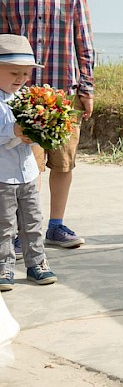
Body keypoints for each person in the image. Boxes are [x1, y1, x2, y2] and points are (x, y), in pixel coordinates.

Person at [0, 0, 95, 250]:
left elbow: (84, 47)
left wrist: (87, 90)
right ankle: (22, 231)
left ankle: (56, 225)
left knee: (63, 163)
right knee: (29, 168)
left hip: (64, 98)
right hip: (23, 99)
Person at [0, 34, 58, 291]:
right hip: (3, 174)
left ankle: (37, 263)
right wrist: (14, 132)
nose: (20, 79)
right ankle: (4, 266)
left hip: (27, 173)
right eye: (14, 72)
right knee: (4, 224)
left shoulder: (27, 98)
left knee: (33, 219)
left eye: (25, 74)